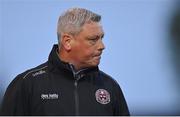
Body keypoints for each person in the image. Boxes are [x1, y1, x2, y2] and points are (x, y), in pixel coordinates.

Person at [0, 7, 130, 116]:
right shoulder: (26, 84)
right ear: (67, 42)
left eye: (102, 38)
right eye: (93, 39)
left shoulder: (110, 87)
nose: (102, 46)